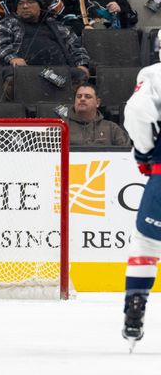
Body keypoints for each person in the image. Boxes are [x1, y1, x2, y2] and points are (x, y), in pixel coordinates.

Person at [120, 34, 161, 349]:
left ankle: (136, 303)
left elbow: (136, 111)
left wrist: (145, 154)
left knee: (146, 243)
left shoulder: (154, 75)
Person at [0, 0, 90, 98]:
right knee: (11, 75)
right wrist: (12, 58)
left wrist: (82, 64)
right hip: (25, 73)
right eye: (21, 3)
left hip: (60, 73)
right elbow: (0, 44)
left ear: (40, 6)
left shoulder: (57, 26)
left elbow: (76, 46)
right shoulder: (7, 23)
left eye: (30, 2)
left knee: (80, 75)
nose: (25, 6)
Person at [66, 83, 130, 146]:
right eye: (79, 96)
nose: (82, 99)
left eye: (88, 96)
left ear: (97, 102)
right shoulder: (61, 127)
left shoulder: (112, 128)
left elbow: (127, 154)